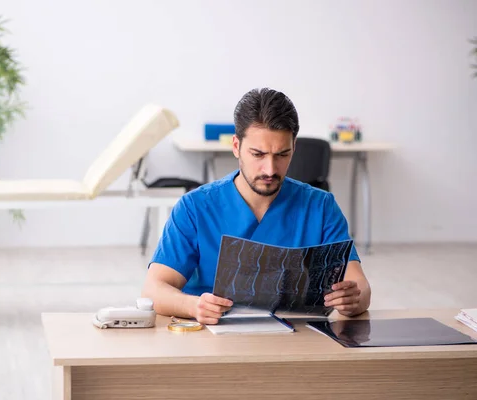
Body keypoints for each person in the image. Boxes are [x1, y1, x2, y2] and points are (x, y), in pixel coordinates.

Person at [141, 88, 371, 325]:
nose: (270, 169)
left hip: (298, 342)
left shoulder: (321, 208)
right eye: (258, 154)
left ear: (294, 148)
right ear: (236, 146)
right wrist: (193, 306)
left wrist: (353, 300)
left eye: (282, 155)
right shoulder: (195, 208)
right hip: (213, 338)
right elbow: (153, 290)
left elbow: (360, 286)